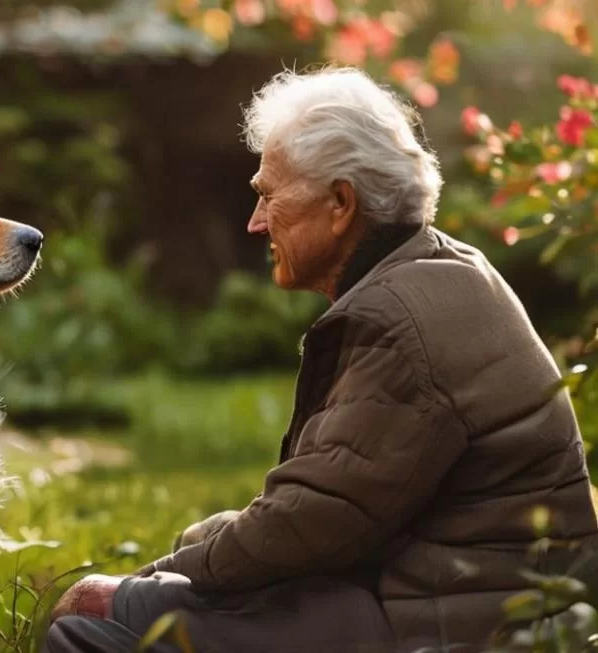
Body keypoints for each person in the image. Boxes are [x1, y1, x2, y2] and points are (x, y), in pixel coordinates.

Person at [40, 66, 598, 653]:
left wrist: (161, 574)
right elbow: (332, 507)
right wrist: (176, 565)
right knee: (129, 606)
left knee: (88, 630)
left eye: (267, 196)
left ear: (340, 202)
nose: (256, 222)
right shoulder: (441, 271)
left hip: (448, 629)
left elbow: (310, 524)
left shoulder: (398, 315)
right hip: (439, 601)